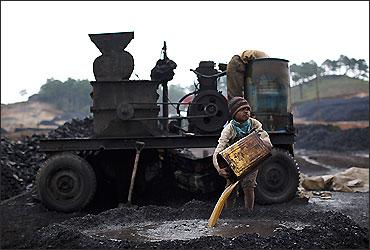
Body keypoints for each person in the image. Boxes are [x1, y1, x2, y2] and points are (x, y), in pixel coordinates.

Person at [212, 96, 272, 213]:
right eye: (242, 109)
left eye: (248, 109)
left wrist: (264, 144)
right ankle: (229, 212)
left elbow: (266, 140)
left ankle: (249, 212)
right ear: (234, 113)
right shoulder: (229, 129)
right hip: (234, 162)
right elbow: (218, 150)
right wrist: (219, 168)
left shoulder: (254, 124)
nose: (246, 112)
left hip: (252, 161)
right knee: (231, 188)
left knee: (249, 186)